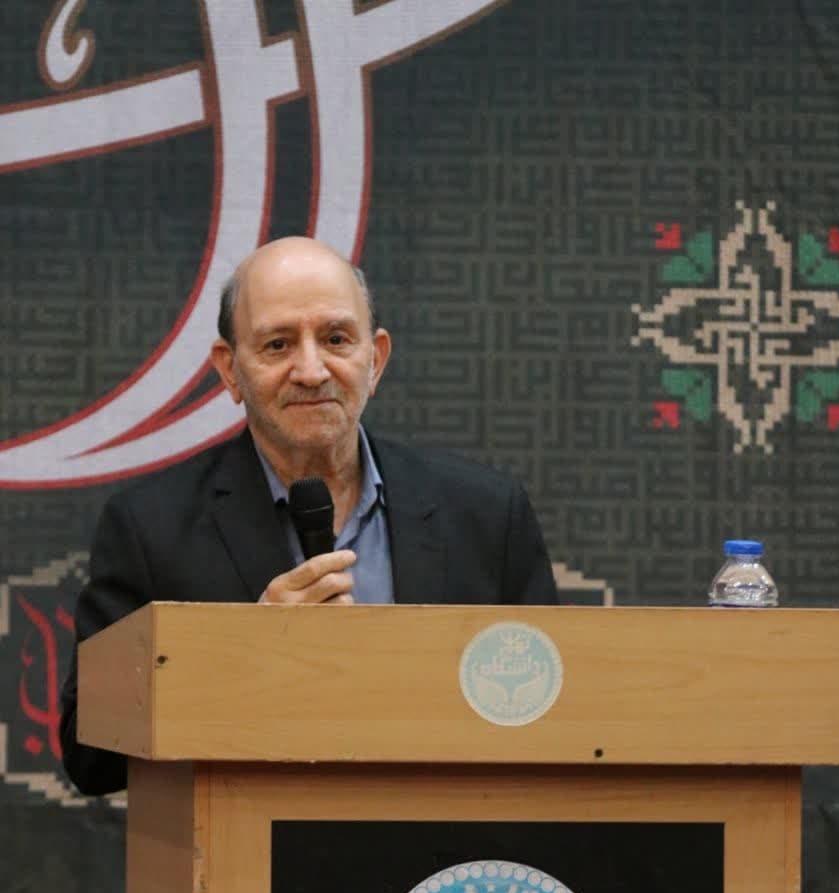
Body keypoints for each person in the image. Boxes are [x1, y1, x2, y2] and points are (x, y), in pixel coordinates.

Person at [60, 237, 557, 795]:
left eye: (336, 339)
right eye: (277, 345)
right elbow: (90, 754)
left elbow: (559, 717)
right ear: (229, 370)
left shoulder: (486, 514)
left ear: (376, 359)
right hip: (247, 845)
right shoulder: (150, 526)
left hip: (445, 843)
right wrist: (245, 662)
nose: (312, 370)